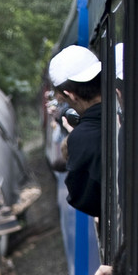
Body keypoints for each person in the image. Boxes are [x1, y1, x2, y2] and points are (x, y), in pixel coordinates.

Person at [48, 45, 102, 217]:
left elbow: (85, 200)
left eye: (66, 102)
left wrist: (75, 139)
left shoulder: (82, 136)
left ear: (71, 95)